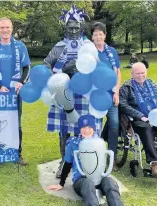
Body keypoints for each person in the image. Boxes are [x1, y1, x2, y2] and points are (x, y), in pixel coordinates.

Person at [44, 5, 93, 178]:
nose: (73, 31)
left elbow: (95, 66)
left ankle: (84, 161)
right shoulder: (59, 47)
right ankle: (64, 161)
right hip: (63, 94)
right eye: (70, 27)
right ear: (65, 28)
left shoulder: (88, 46)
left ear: (81, 28)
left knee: (83, 127)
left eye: (76, 27)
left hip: (83, 94)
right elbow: (47, 64)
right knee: (64, 129)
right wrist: (59, 73)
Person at [0, 17, 31, 166]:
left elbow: (27, 67)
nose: (5, 30)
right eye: (2, 28)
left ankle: (17, 154)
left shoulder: (20, 47)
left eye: (7, 27)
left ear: (12, 28)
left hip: (15, 94)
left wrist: (21, 82)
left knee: (16, 124)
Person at [47, 115, 123, 206]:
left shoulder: (99, 142)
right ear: (79, 129)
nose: (86, 130)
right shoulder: (73, 143)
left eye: (89, 127)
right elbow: (67, 164)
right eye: (83, 127)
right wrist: (61, 184)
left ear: (94, 128)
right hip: (81, 182)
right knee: (88, 183)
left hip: (98, 180)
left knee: (110, 182)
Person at [91, 22, 121, 171]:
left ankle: (112, 157)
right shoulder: (89, 52)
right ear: (92, 36)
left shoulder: (112, 52)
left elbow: (117, 72)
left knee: (114, 124)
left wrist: (116, 92)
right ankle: (95, 156)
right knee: (94, 127)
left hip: (110, 94)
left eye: (100, 34)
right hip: (94, 95)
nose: (98, 37)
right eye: (95, 34)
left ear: (105, 35)